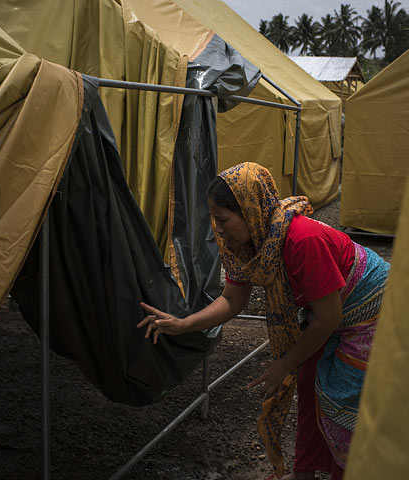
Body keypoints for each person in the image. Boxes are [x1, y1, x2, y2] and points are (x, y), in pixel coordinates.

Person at [138, 162, 390, 480]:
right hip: (334, 315)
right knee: (309, 380)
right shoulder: (250, 247)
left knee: (344, 398)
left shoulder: (302, 240)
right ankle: (304, 474)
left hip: (375, 314)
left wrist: (283, 363)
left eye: (223, 219)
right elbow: (232, 300)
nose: (218, 228)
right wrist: (184, 323)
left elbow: (328, 319)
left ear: (250, 211)